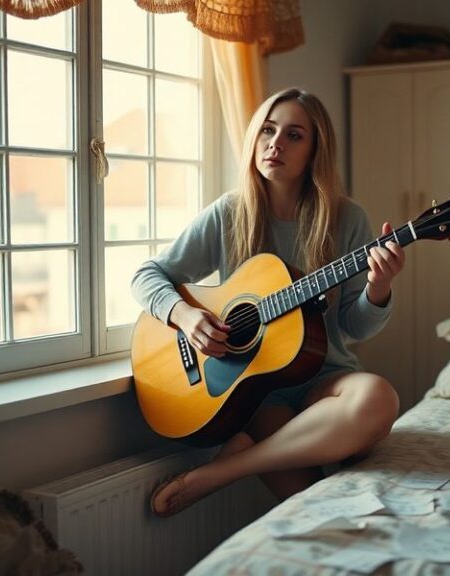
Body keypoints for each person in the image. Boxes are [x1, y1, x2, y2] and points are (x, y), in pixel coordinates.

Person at [131, 87, 405, 518]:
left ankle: (226, 469)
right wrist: (184, 316)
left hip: (325, 378)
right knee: (318, 510)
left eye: (294, 135)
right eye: (268, 130)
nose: (275, 143)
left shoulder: (347, 218)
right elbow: (147, 276)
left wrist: (379, 288)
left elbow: (354, 326)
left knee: (380, 400)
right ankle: (256, 443)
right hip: (258, 393)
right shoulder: (228, 214)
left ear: (315, 150)